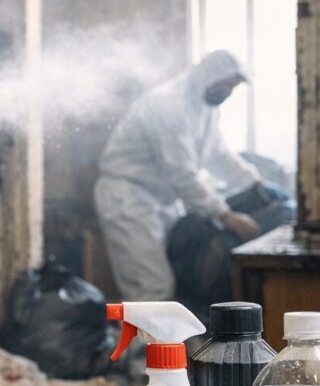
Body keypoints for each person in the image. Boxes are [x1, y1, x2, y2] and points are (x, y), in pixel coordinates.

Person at [94, 50, 264, 302]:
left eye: (233, 88)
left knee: (176, 280)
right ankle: (141, 343)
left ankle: (168, 341)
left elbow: (217, 155)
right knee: (151, 287)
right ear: (210, 76)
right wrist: (225, 214)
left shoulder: (204, 109)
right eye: (226, 84)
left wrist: (254, 181)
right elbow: (182, 174)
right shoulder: (168, 105)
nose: (228, 92)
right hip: (130, 200)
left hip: (163, 202)